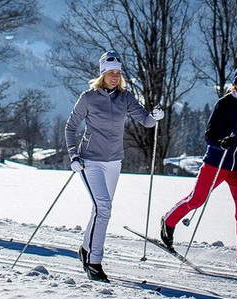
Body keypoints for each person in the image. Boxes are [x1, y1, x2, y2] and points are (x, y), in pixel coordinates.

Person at [64, 51, 163, 282]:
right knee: (104, 208)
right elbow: (70, 127)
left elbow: (146, 121)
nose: (115, 76)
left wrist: (156, 116)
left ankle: (85, 249)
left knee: (99, 209)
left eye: (118, 72)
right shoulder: (88, 98)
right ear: (102, 74)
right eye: (111, 73)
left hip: (114, 162)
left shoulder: (125, 98)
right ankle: (94, 262)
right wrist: (73, 156)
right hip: (90, 161)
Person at [160, 66, 237, 276]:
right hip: (217, 163)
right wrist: (221, 142)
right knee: (196, 200)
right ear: (236, 85)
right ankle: (168, 220)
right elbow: (209, 136)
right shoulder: (224, 104)